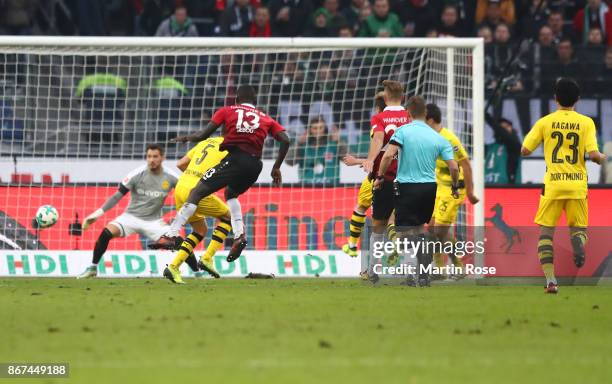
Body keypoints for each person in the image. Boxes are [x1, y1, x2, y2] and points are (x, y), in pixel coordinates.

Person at [150, 85, 291, 264]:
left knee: (197, 192)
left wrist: (187, 138)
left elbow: (203, 135)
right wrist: (276, 167)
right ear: (254, 102)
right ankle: (239, 235)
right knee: (231, 194)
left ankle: (171, 234)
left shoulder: (227, 110)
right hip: (255, 165)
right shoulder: (265, 118)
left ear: (236, 99)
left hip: (235, 160)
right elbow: (286, 140)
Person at [521, 77, 606, 294]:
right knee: (579, 229)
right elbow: (593, 155)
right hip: (577, 185)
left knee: (546, 233)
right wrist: (602, 158)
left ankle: (551, 280)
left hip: (553, 185)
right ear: (578, 99)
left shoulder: (545, 122)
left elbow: (525, 150)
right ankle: (578, 242)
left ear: (555, 98)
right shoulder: (586, 123)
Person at [374, 96, 459, 286]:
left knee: (404, 231)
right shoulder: (439, 137)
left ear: (408, 113)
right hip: (430, 188)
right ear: (425, 113)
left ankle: (413, 275)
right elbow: (454, 167)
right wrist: (454, 186)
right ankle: (423, 275)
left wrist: (379, 176)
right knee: (420, 228)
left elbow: (388, 155)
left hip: (407, 186)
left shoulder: (403, 131)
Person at [77, 144, 181, 279]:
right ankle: (92, 268)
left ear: (162, 158)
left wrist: (179, 218)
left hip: (153, 222)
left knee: (179, 243)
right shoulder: (136, 174)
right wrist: (97, 214)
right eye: (149, 156)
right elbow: (117, 196)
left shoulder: (172, 177)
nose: (151, 160)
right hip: (130, 217)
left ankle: (197, 271)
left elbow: (184, 198)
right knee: (106, 233)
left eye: (155, 156)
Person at [162, 136, 236, 284]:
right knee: (229, 217)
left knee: (200, 229)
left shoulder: (206, 142)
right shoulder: (231, 146)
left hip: (181, 186)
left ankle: (173, 267)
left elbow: (181, 163)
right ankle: (207, 258)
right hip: (197, 190)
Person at [362, 80, 410, 283]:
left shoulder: (380, 117)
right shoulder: (410, 117)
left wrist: (371, 161)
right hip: (409, 178)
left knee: (378, 225)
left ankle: (372, 270)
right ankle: (412, 271)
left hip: (386, 176)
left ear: (386, 96)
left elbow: (378, 140)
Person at [425, 103, 479, 279]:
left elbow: (466, 165)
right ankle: (446, 269)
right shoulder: (430, 138)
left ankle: (449, 268)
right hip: (440, 188)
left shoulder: (449, 139)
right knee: (432, 229)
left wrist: (470, 192)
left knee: (439, 231)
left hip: (454, 189)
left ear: (430, 120)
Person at [341, 91, 386, 258]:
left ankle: (354, 247)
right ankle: (353, 246)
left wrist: (358, 161)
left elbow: (382, 153)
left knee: (377, 216)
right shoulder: (401, 122)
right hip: (397, 173)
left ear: (378, 108)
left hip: (380, 174)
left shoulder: (379, 124)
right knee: (381, 213)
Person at [285, 117, 347, 184]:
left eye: (321, 127)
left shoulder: (334, 144)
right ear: (310, 130)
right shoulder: (302, 146)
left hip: (330, 187)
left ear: (325, 128)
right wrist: (298, 144)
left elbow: (350, 160)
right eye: (315, 128)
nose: (318, 131)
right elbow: (289, 162)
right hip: (307, 187)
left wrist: (339, 142)